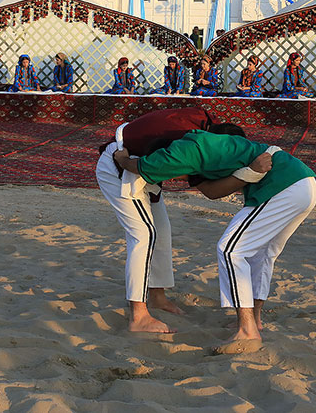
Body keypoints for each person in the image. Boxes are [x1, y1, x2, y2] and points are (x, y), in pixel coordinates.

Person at [113, 129, 316, 352]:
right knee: (262, 254)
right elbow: (212, 192)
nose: (170, 178)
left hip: (284, 185)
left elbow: (143, 167)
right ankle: (254, 320)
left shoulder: (181, 151)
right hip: (304, 183)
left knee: (230, 249)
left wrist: (122, 159)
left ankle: (247, 331)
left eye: (167, 173)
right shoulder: (200, 150)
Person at [97, 108, 264, 333]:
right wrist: (124, 159)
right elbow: (133, 164)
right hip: (120, 166)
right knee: (144, 235)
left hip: (144, 170)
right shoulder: (191, 142)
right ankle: (138, 316)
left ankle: (157, 297)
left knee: (161, 232)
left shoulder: (204, 137)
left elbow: (208, 189)